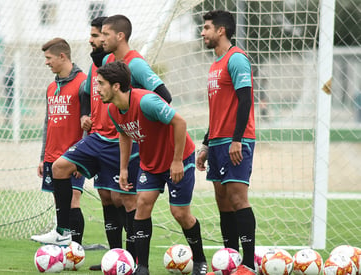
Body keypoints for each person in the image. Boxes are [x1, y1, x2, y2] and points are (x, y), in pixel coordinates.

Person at [98, 61, 208, 275]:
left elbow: (180, 123)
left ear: (117, 86)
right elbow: (124, 134)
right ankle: (142, 267)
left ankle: (200, 261)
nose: (97, 89)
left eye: (101, 84)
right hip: (150, 164)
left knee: (180, 213)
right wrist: (123, 169)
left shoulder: (147, 102)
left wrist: (176, 161)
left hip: (180, 159)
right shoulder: (113, 109)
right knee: (142, 205)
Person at [82, 15, 173, 271]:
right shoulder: (110, 61)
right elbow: (91, 93)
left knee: (129, 201)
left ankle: (132, 260)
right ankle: (117, 257)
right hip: (109, 140)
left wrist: (143, 129)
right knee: (109, 197)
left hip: (130, 144)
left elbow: (164, 97)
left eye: (105, 35)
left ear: (119, 36)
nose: (101, 39)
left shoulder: (136, 64)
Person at [196, 10, 256, 275]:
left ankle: (249, 264)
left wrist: (237, 140)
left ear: (221, 30)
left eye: (206, 27)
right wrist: (207, 144)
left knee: (237, 198)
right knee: (222, 200)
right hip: (218, 142)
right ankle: (229, 262)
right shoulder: (214, 65)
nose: (202, 32)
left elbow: (245, 101)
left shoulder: (237, 59)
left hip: (235, 141)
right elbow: (217, 110)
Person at [30, 38, 88, 246]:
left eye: (49, 58)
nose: (46, 62)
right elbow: (48, 123)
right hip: (51, 155)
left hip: (73, 155)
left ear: (62, 56)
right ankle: (62, 238)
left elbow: (88, 122)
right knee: (59, 199)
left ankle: (76, 247)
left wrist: (83, 158)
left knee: (73, 198)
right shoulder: (51, 87)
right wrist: (42, 156)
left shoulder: (84, 83)